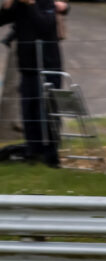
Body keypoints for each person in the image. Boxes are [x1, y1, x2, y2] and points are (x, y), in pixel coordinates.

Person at [0, 0, 67, 167]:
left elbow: (45, 26)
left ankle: (51, 155)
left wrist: (31, 5)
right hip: (27, 67)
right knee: (29, 111)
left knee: (47, 111)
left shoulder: (46, 3)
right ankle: (33, 152)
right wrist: (7, 5)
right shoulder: (19, 5)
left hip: (48, 65)